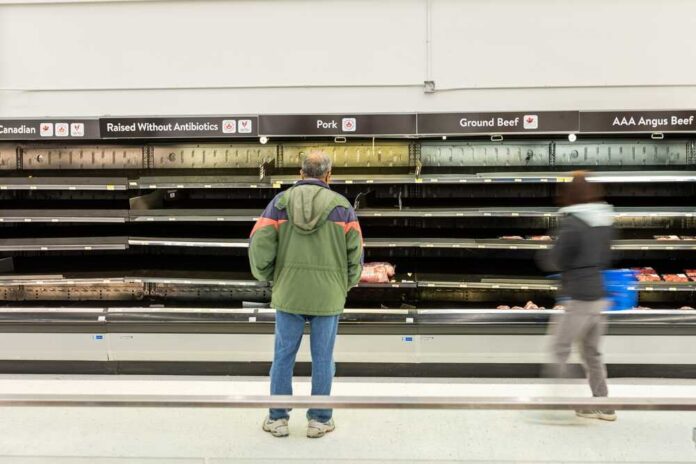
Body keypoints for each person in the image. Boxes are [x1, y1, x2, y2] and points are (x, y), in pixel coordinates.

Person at [249, 151, 363, 438]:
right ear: (328, 175)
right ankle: (319, 420)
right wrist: (345, 283)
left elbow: (259, 243)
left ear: (301, 174)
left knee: (283, 355)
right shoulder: (342, 206)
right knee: (323, 357)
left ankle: (277, 419)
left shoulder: (279, 203)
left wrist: (267, 275)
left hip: (290, 292)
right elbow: (356, 254)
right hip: (328, 294)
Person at [537, 171, 617, 421]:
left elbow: (557, 259)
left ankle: (565, 404)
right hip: (599, 294)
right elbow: (606, 257)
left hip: (579, 297)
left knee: (560, 348)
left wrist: (544, 256)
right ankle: (603, 404)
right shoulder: (604, 220)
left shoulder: (573, 222)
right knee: (592, 353)